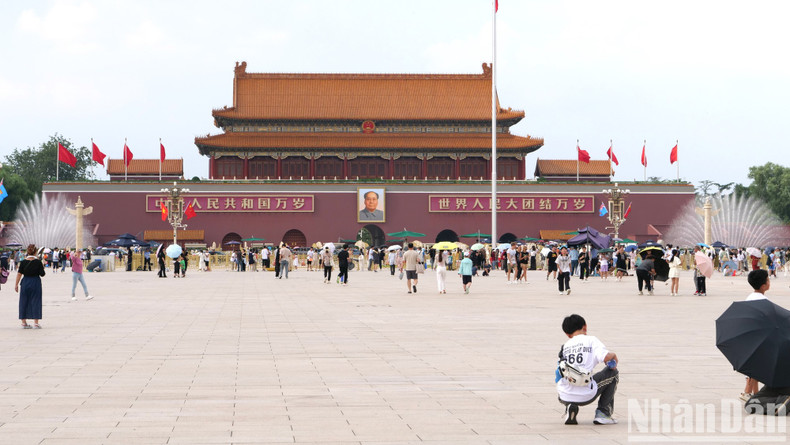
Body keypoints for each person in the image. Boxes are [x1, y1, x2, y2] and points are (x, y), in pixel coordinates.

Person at [556, 314, 619, 425]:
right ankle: (603, 414)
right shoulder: (591, 340)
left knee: (568, 378)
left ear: (567, 334)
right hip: (586, 394)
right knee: (613, 373)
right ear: (585, 327)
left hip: (563, 395)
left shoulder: (565, 346)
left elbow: (558, 374)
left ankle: (569, 407)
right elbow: (605, 357)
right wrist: (613, 355)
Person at [15, 244, 46, 329]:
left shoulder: (23, 262)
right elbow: (42, 274)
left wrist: (16, 284)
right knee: (36, 301)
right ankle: (36, 323)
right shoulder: (38, 262)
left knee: (23, 301)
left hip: (25, 282)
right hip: (35, 282)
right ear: (35, 252)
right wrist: (42, 266)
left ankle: (24, 322)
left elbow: (19, 274)